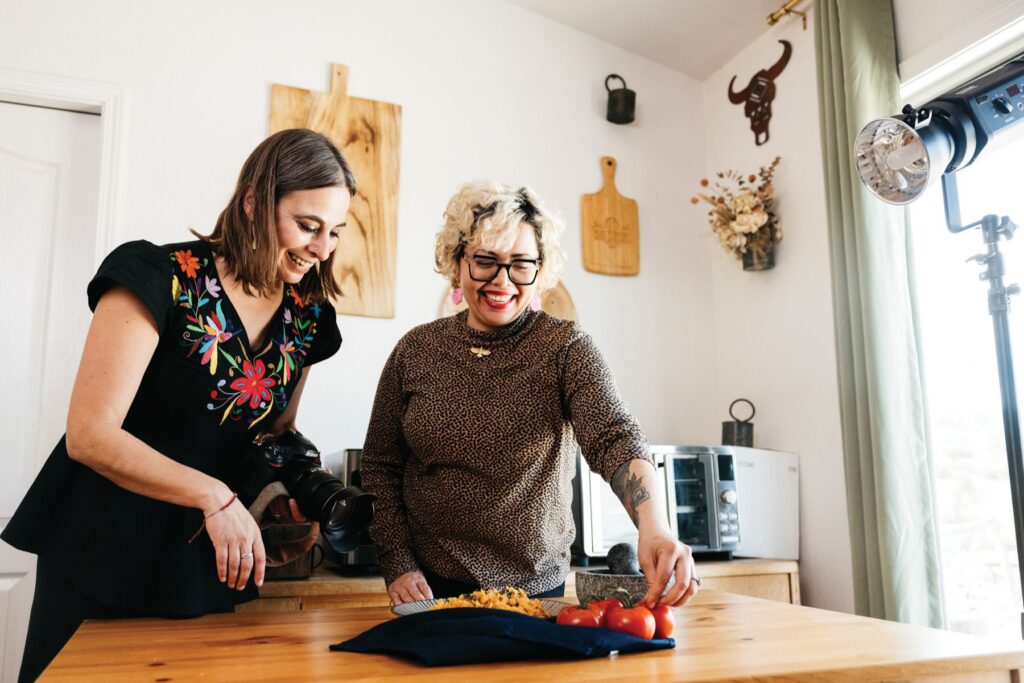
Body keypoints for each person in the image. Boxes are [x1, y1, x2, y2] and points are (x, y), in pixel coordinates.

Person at [1, 128, 355, 681]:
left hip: (206, 563)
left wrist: (282, 499)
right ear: (253, 203)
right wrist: (214, 497)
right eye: (308, 226)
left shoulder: (308, 319)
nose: (322, 248)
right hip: (102, 548)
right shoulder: (157, 278)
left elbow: (275, 434)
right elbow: (90, 434)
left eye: (335, 232)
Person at [361, 180, 700, 607]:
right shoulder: (416, 350)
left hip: (535, 590)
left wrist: (655, 526)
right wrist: (397, 561)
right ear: (457, 262)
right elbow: (380, 465)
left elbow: (614, 436)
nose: (503, 281)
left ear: (540, 269)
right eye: (486, 261)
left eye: (521, 264)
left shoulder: (566, 348)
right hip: (428, 587)